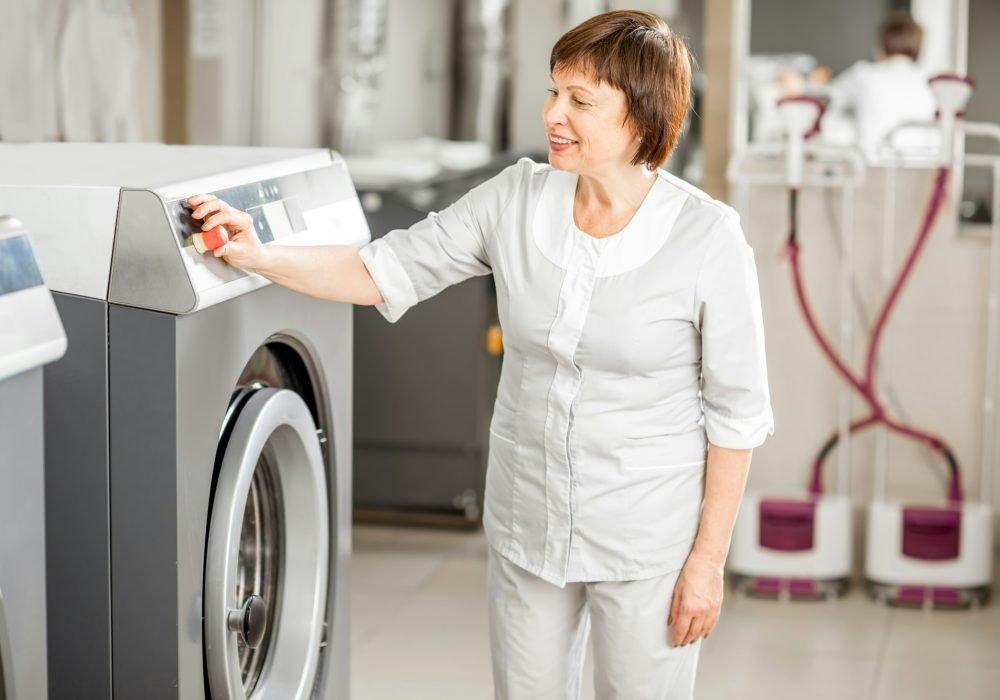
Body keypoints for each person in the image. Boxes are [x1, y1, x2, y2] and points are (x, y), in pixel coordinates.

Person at [188, 10, 772, 699]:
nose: (554, 113)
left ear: (642, 117)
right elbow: (382, 268)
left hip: (648, 540)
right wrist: (257, 253)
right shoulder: (517, 199)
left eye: (581, 101)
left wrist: (708, 562)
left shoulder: (707, 238)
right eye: (554, 91)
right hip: (529, 524)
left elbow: (737, 416)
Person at [823, 10, 937, 159]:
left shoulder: (863, 75)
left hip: (874, 174)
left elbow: (825, 98)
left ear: (881, 49)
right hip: (921, 174)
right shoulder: (931, 83)